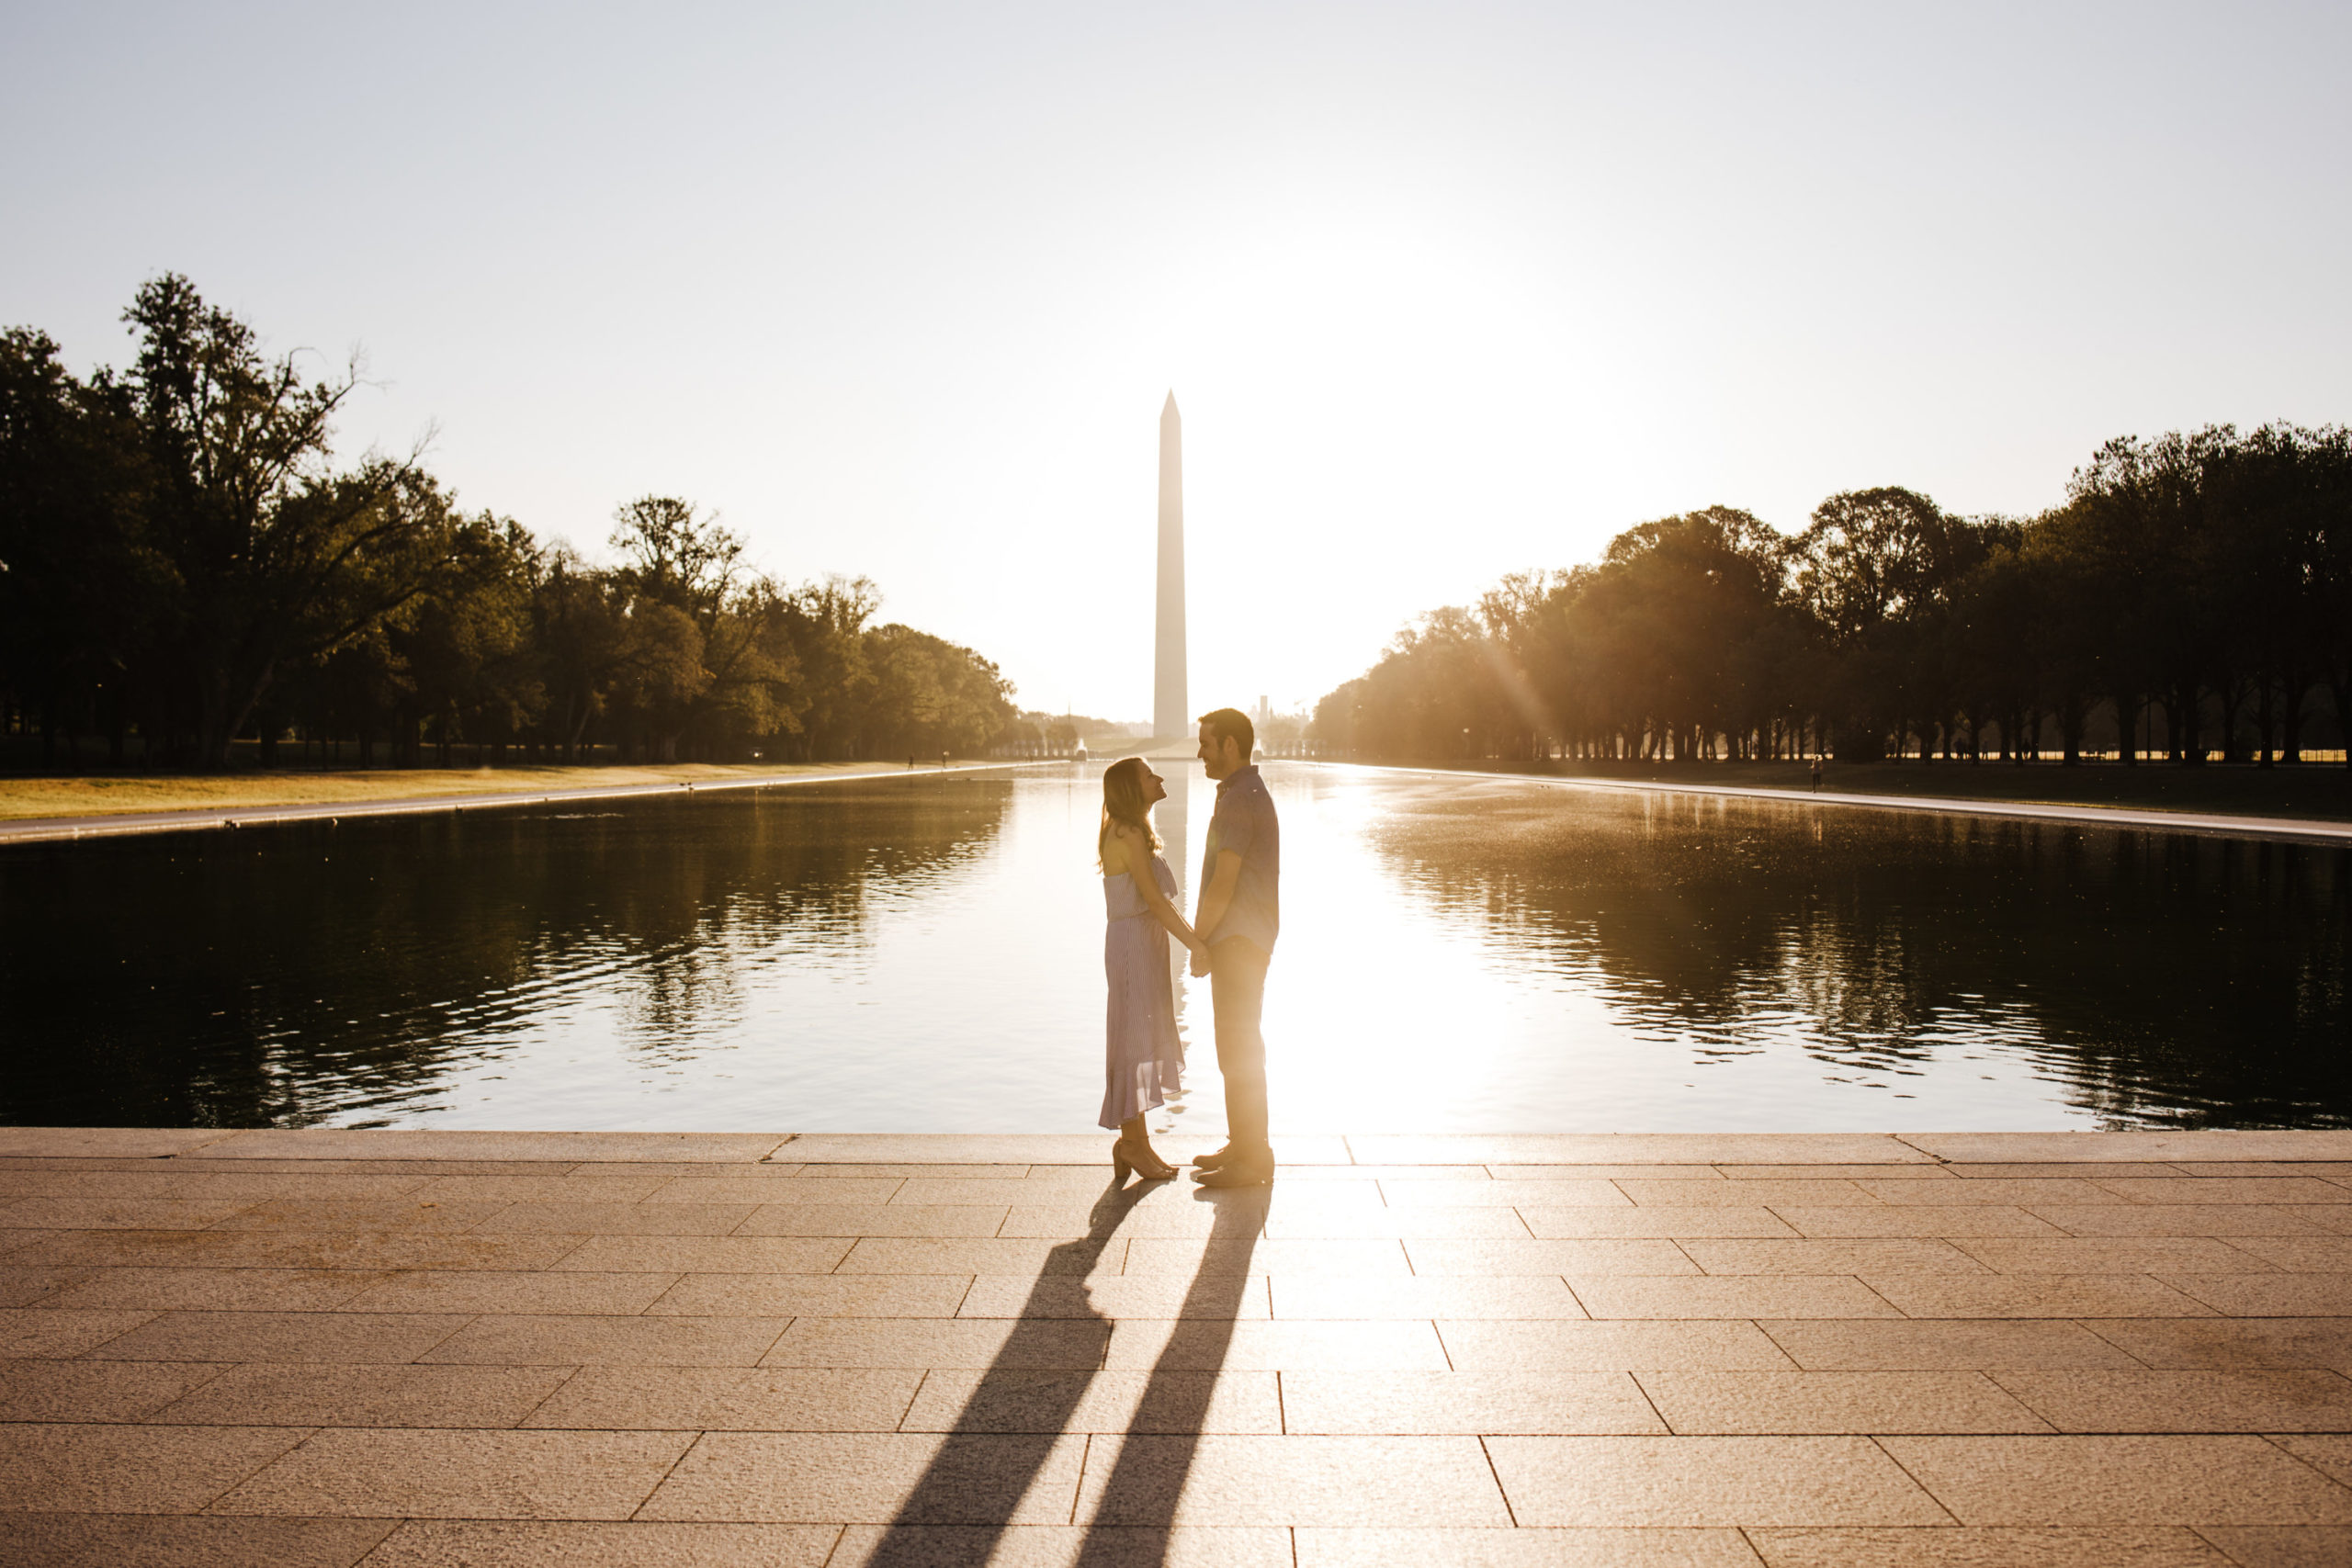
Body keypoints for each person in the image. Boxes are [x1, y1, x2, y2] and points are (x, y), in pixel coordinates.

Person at [1096, 756, 1207, 1180]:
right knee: (1132, 1040)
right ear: (1131, 788)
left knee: (1140, 1038)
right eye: (1149, 775)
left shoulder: (1134, 831)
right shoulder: (1126, 833)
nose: (1158, 778)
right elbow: (1157, 902)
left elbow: (1158, 906)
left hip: (1142, 943)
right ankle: (1132, 1144)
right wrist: (1198, 945)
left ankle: (1137, 1144)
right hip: (1133, 947)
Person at [1189, 707, 1280, 1188]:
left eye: (1205, 743)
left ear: (1229, 745)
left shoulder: (1239, 799)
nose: (1199, 752)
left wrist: (1198, 940)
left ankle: (1254, 1156)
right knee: (1235, 1044)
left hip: (1239, 940)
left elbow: (1223, 883)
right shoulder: (1240, 793)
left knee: (1240, 1045)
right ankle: (1243, 1144)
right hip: (1244, 937)